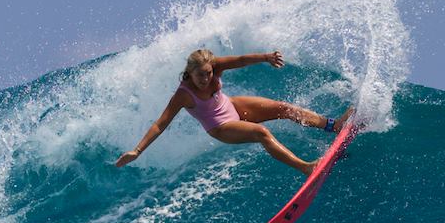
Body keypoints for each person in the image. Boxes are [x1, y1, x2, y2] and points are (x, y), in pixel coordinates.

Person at [115, 48, 353, 175]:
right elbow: (160, 124)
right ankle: (306, 167)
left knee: (284, 108)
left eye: (208, 73)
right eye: (200, 75)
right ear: (190, 72)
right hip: (220, 127)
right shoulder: (183, 94)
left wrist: (265, 57)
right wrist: (137, 150)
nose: (206, 78)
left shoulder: (214, 66)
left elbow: (239, 59)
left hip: (232, 106)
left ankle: (333, 125)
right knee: (261, 133)